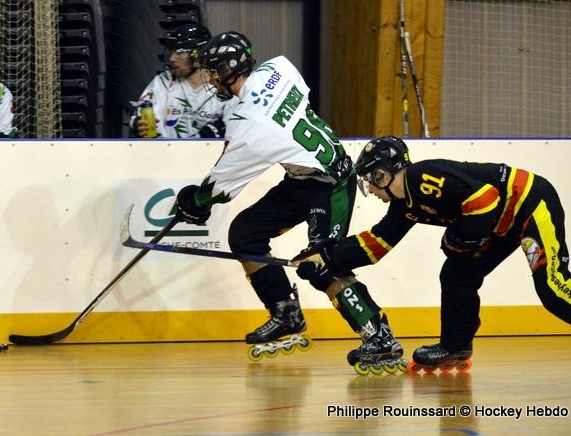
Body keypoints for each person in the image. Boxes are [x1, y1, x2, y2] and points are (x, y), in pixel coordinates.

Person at [173, 31, 405, 371]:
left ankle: (379, 336)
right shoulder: (278, 69)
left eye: (213, 71)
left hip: (331, 184)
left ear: (228, 69)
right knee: (245, 234)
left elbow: (220, 184)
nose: (210, 80)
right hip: (302, 180)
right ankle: (286, 313)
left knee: (322, 263)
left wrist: (195, 202)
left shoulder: (250, 125)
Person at [293, 135, 571, 370]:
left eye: (370, 179)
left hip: (528, 203)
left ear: (382, 175)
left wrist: (463, 239)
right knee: (456, 275)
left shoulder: (422, 177)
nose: (369, 189)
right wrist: (326, 258)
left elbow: (485, 199)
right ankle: (455, 346)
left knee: (552, 287)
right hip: (498, 221)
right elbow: (378, 243)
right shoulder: (404, 204)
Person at [130, 23, 231, 139]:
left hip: (209, 151)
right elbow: (142, 114)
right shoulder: (163, 82)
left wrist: (215, 131)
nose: (172, 59)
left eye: (179, 52)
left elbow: (237, 123)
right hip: (164, 150)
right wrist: (138, 124)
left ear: (198, 55)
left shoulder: (225, 87)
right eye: (171, 52)